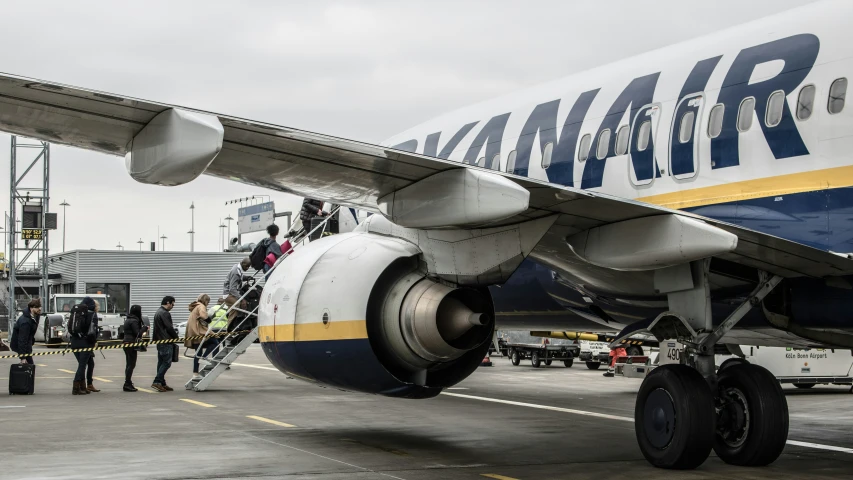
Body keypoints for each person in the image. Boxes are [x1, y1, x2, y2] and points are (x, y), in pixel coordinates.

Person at [186, 294, 219, 380]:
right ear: (205, 300)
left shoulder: (195, 307)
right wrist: (208, 319)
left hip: (193, 332)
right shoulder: (201, 306)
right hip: (198, 331)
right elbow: (204, 316)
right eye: (208, 302)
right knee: (215, 342)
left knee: (198, 353)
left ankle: (195, 374)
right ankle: (204, 357)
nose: (208, 304)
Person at [71, 296, 99, 395]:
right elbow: (93, 331)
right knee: (82, 366)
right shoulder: (92, 315)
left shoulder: (77, 313)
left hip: (74, 342)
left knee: (83, 364)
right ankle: (76, 388)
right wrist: (94, 341)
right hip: (85, 343)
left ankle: (83, 386)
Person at [152, 296, 177, 392]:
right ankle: (157, 381)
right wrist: (175, 337)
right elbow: (169, 327)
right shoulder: (165, 313)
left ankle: (162, 382)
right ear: (168, 303)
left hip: (159, 340)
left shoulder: (158, 312)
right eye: (172, 304)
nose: (173, 306)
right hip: (166, 340)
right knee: (167, 362)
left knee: (161, 362)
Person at [122, 304, 146, 392]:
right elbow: (138, 334)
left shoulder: (128, 319)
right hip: (131, 343)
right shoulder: (134, 321)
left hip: (126, 342)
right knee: (131, 364)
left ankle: (128, 382)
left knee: (129, 364)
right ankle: (127, 383)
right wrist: (144, 328)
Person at [11, 298, 41, 365]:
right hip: (22, 345)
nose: (39, 309)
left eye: (40, 306)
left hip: (28, 344)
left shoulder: (35, 316)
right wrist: (23, 357)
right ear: (31, 308)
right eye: (37, 307)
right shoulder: (25, 322)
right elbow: (22, 339)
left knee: (29, 367)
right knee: (29, 366)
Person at [223, 258, 251, 323]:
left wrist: (246, 278)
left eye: (249, 267)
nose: (247, 268)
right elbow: (232, 289)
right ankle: (232, 327)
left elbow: (239, 277)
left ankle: (236, 324)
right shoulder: (236, 272)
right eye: (247, 266)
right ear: (243, 263)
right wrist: (242, 299)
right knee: (237, 304)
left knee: (235, 310)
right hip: (228, 294)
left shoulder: (237, 268)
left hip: (229, 293)